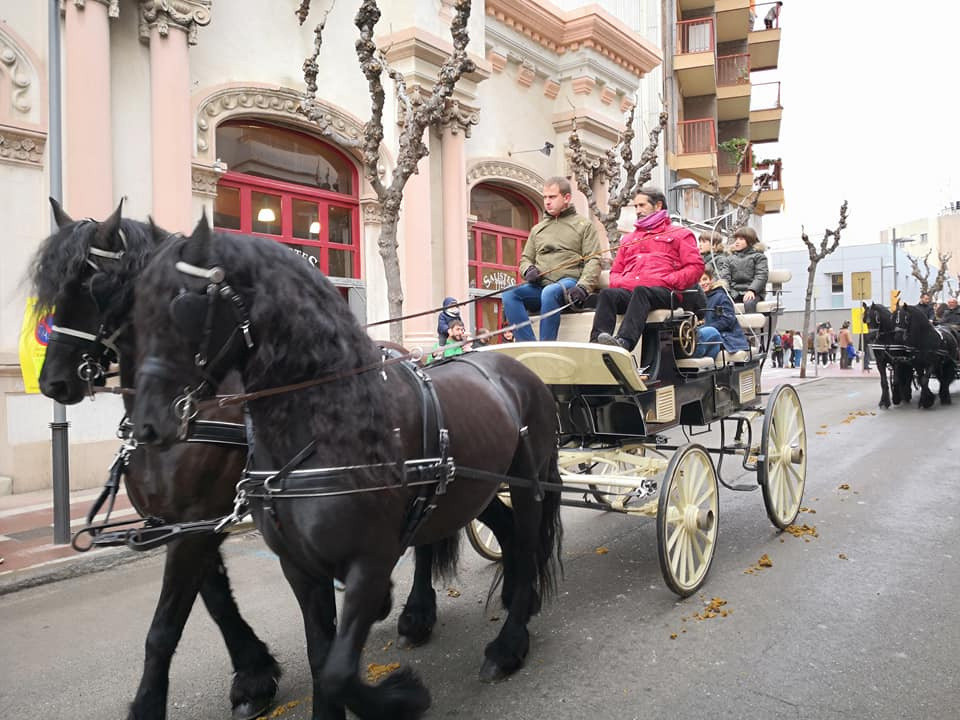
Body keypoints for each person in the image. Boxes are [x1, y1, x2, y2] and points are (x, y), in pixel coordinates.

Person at [590, 187, 704, 351]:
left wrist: (669, 280)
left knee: (642, 291)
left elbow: (696, 267)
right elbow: (616, 271)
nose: (638, 210)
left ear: (658, 206)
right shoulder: (629, 239)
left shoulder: (680, 233)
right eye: (636, 206)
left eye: (642, 205)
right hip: (632, 291)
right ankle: (596, 343)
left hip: (664, 292)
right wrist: (621, 282)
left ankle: (624, 343)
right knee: (607, 294)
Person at [502, 176, 601, 341]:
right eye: (545, 197)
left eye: (552, 197)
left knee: (550, 292)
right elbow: (525, 259)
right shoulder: (537, 229)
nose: (547, 202)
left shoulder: (584, 225)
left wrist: (583, 287)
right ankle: (529, 345)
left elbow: (593, 260)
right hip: (541, 286)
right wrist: (528, 270)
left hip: (568, 285)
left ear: (566, 198)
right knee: (510, 294)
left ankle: (546, 345)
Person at [691, 267, 749, 360]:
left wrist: (706, 327)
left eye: (705, 279)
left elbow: (727, 321)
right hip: (706, 335)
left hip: (726, 337)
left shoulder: (721, 296)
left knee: (708, 333)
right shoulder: (696, 299)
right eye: (699, 281)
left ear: (711, 280)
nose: (703, 283)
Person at [722, 226, 768, 314]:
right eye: (736, 239)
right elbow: (725, 276)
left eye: (741, 239)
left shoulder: (759, 257)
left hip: (753, 292)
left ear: (750, 241)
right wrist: (727, 291)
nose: (737, 242)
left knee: (749, 303)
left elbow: (761, 275)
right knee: (721, 302)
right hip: (734, 292)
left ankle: (751, 327)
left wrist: (752, 290)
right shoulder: (729, 259)